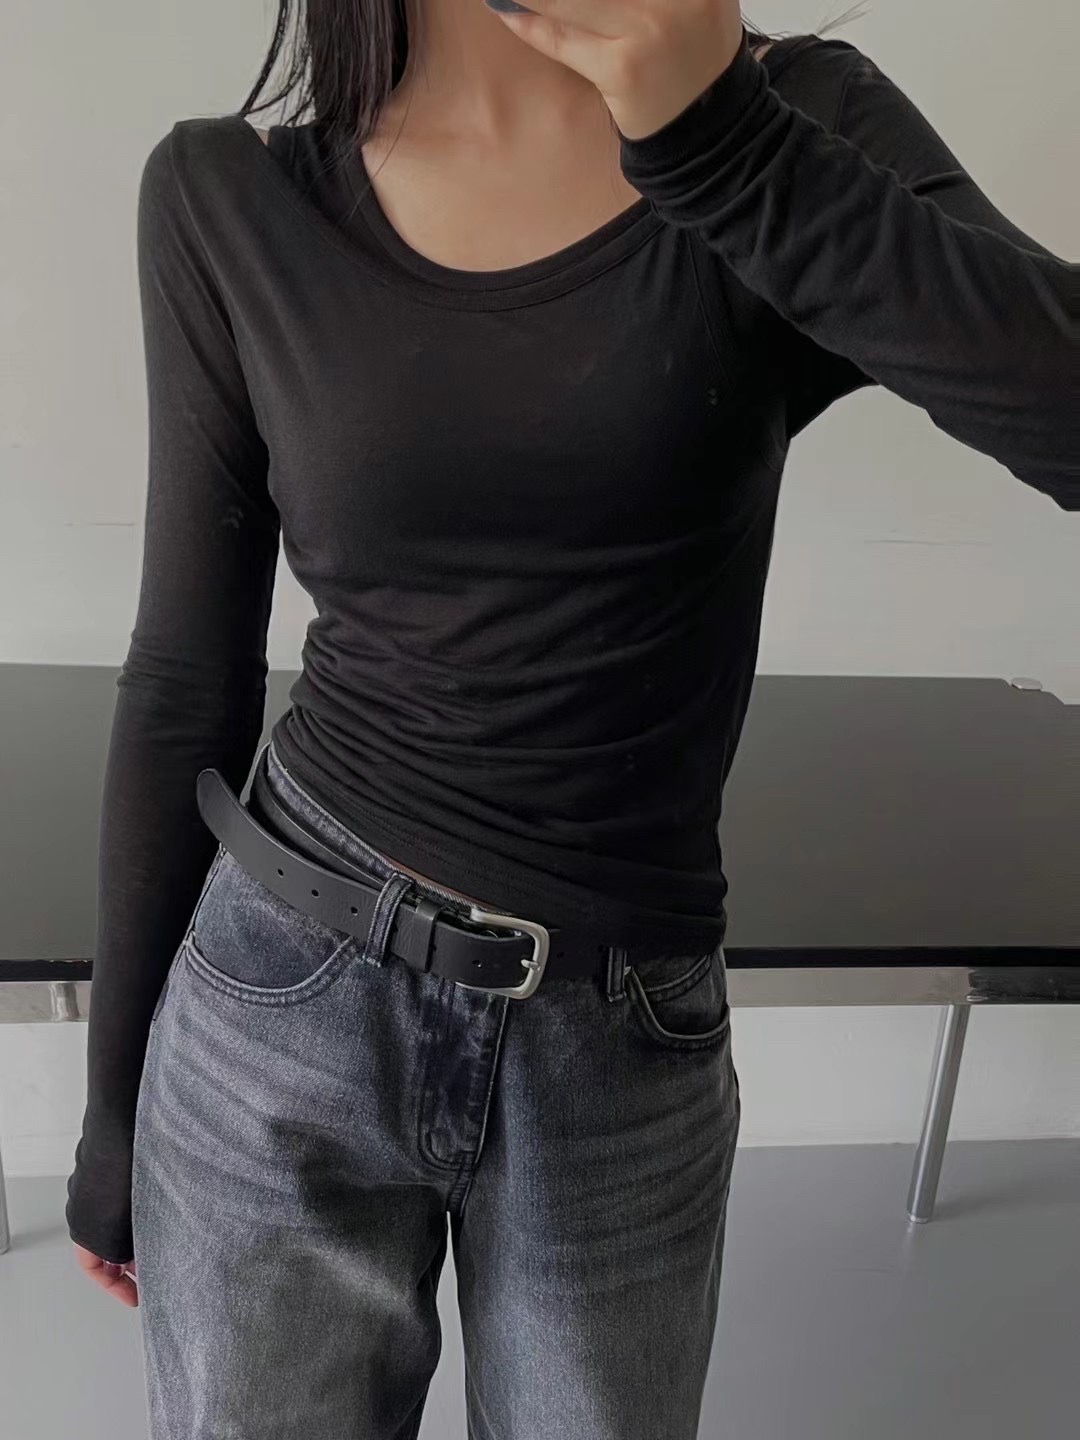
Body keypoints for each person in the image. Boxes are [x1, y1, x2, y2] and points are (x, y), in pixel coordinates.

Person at [65, 1, 1077, 1436]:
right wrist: (113, 1104)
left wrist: (720, 140)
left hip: (620, 1032)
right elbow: (187, 674)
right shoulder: (226, 195)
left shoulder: (786, 123)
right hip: (280, 1002)